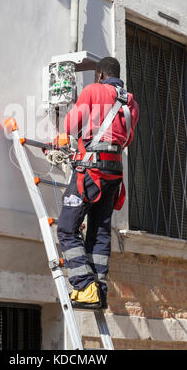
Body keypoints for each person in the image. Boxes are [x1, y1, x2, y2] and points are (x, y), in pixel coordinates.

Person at [57, 56, 139, 309]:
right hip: (113, 174)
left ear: (101, 74)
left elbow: (71, 126)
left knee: (67, 228)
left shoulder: (93, 90)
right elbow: (127, 139)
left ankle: (83, 284)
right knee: (100, 231)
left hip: (90, 171)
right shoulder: (131, 102)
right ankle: (99, 291)